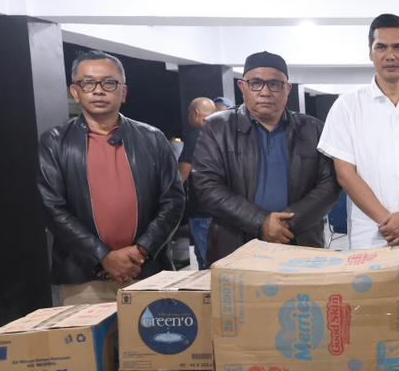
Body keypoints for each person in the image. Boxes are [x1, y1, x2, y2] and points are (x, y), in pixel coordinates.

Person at [37, 49, 184, 303]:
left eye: (108, 83)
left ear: (123, 92)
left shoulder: (152, 138)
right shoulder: (54, 142)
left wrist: (141, 251)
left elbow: (173, 201)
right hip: (84, 280)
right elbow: (52, 209)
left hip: (147, 272)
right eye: (88, 83)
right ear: (75, 91)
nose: (98, 90)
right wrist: (103, 256)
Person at [318, 14, 399, 254]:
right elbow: (345, 174)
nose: (390, 55)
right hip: (370, 239)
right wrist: (389, 222)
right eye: (381, 47)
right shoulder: (347, 106)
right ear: (370, 53)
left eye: (398, 47)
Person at [191, 51, 337, 263]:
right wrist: (260, 222)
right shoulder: (218, 128)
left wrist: (285, 224)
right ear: (242, 87)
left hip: (300, 243)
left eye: (275, 84)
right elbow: (206, 185)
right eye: (256, 83)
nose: (265, 92)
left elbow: (330, 185)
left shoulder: (313, 130)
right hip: (235, 247)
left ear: (287, 89)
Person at [178, 96, 216, 268]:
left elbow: (183, 172)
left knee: (205, 259)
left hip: (201, 210)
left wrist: (167, 194)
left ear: (196, 112)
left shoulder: (196, 135)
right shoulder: (219, 133)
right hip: (221, 209)